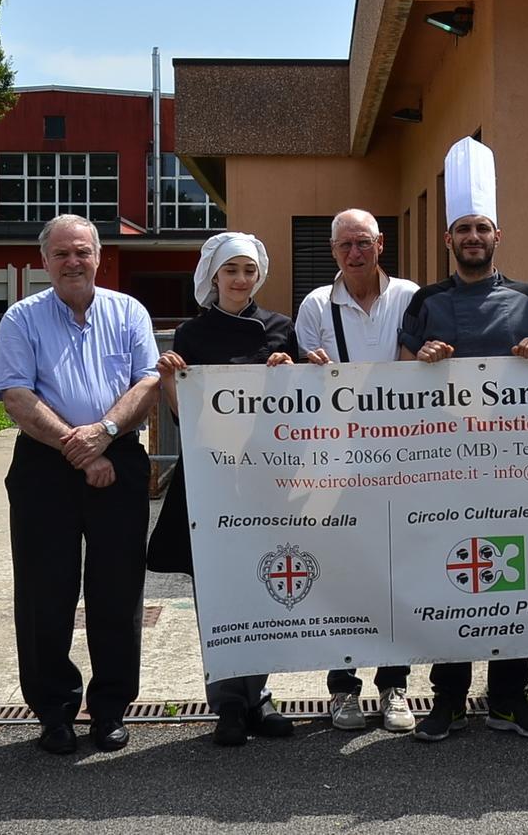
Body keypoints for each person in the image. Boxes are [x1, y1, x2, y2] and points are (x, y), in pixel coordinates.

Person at [398, 137, 528, 743]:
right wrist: (424, 358)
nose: (472, 237)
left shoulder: (527, 296)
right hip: (443, 462)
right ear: (448, 240)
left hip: (515, 462)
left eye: (481, 228)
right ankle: (448, 698)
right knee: (452, 573)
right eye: (462, 228)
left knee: (513, 574)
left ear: (497, 238)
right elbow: (398, 368)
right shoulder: (427, 300)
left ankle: (511, 697)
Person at [0, 215, 159, 756]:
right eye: (61, 254)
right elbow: (15, 395)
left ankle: (109, 709)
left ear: (99, 256)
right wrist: (79, 449)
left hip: (119, 458)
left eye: (81, 252)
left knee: (117, 591)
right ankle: (54, 712)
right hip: (44, 469)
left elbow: (148, 382)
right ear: (44, 261)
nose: (72, 262)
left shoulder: (128, 311)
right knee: (45, 593)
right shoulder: (21, 318)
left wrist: (104, 435)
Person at [146, 232, 300, 747]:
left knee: (263, 587)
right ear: (214, 276)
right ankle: (227, 704)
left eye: (248, 272)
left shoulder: (281, 328)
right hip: (210, 479)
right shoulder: (191, 332)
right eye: (231, 271)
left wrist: (291, 373)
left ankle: (259, 696)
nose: (240, 280)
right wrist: (170, 379)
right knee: (216, 594)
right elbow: (181, 415)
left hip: (265, 478)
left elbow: (296, 410)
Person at [296, 208, 420, 733]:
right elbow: (299, 386)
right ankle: (342, 688)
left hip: (399, 456)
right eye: (345, 244)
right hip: (337, 457)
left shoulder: (412, 297)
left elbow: (422, 365)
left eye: (363, 242)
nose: (354, 252)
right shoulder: (315, 304)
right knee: (341, 572)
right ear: (333, 251)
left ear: (380, 244)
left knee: (398, 571)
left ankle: (394, 686)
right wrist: (308, 372)